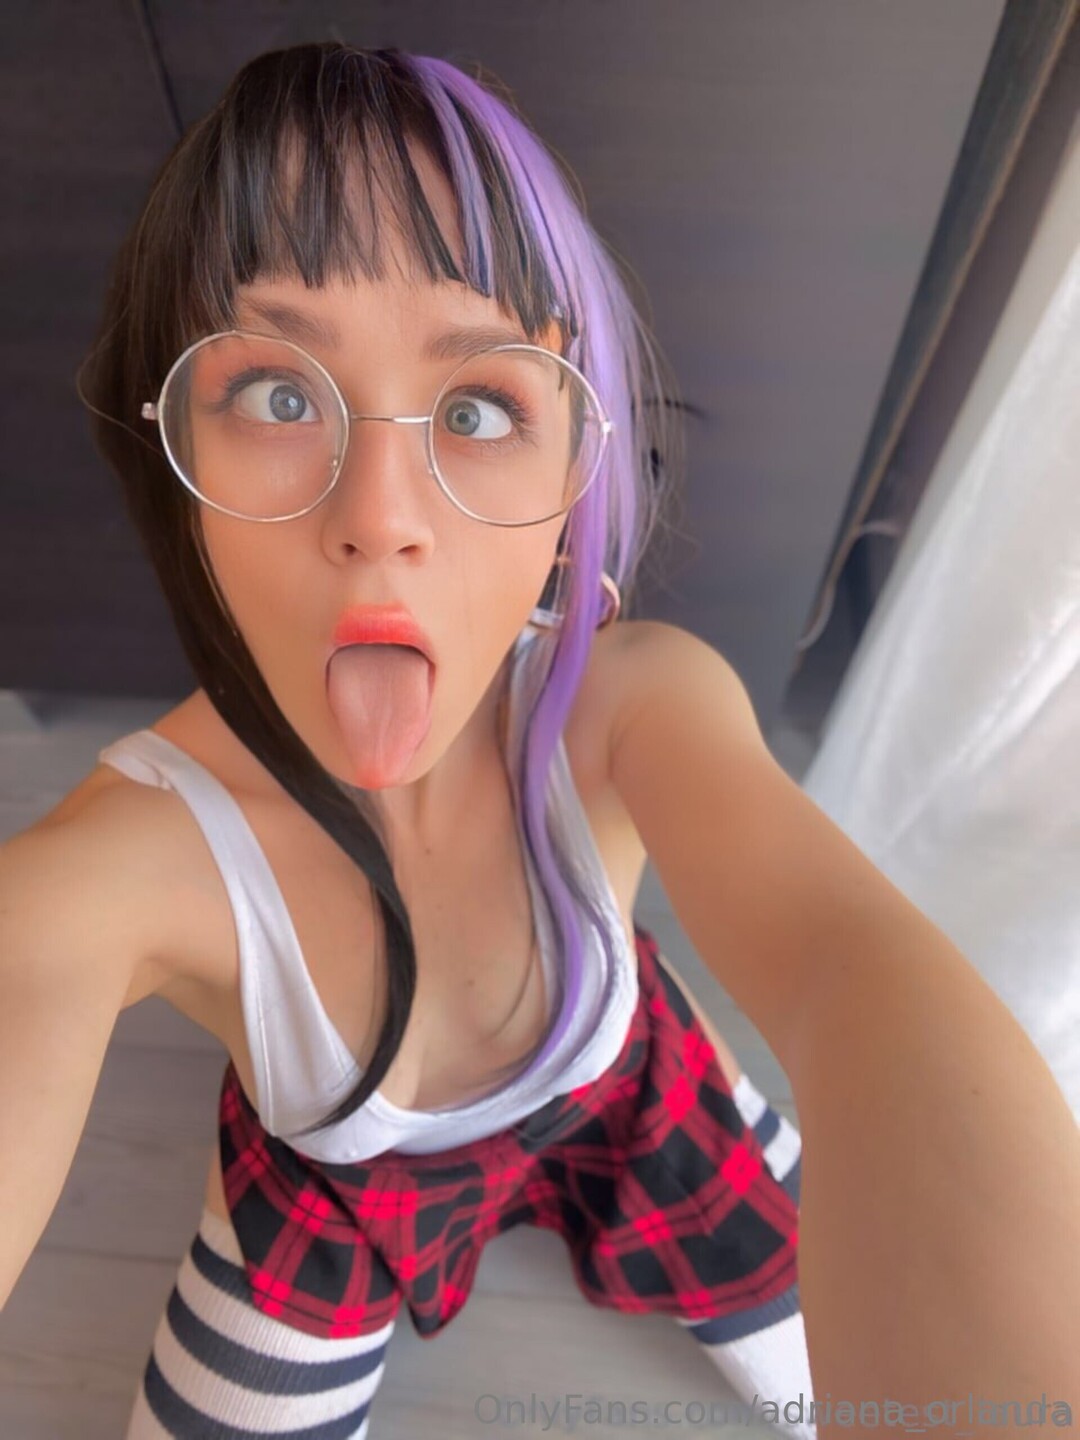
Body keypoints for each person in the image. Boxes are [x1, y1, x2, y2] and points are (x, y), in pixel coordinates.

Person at [2, 40, 1077, 1440]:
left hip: (637, 1103)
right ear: (178, 454)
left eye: (477, 407)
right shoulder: (134, 853)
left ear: (573, 470)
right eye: (277, 394)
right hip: (336, 1204)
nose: (381, 517)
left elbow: (852, 969)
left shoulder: (631, 706)